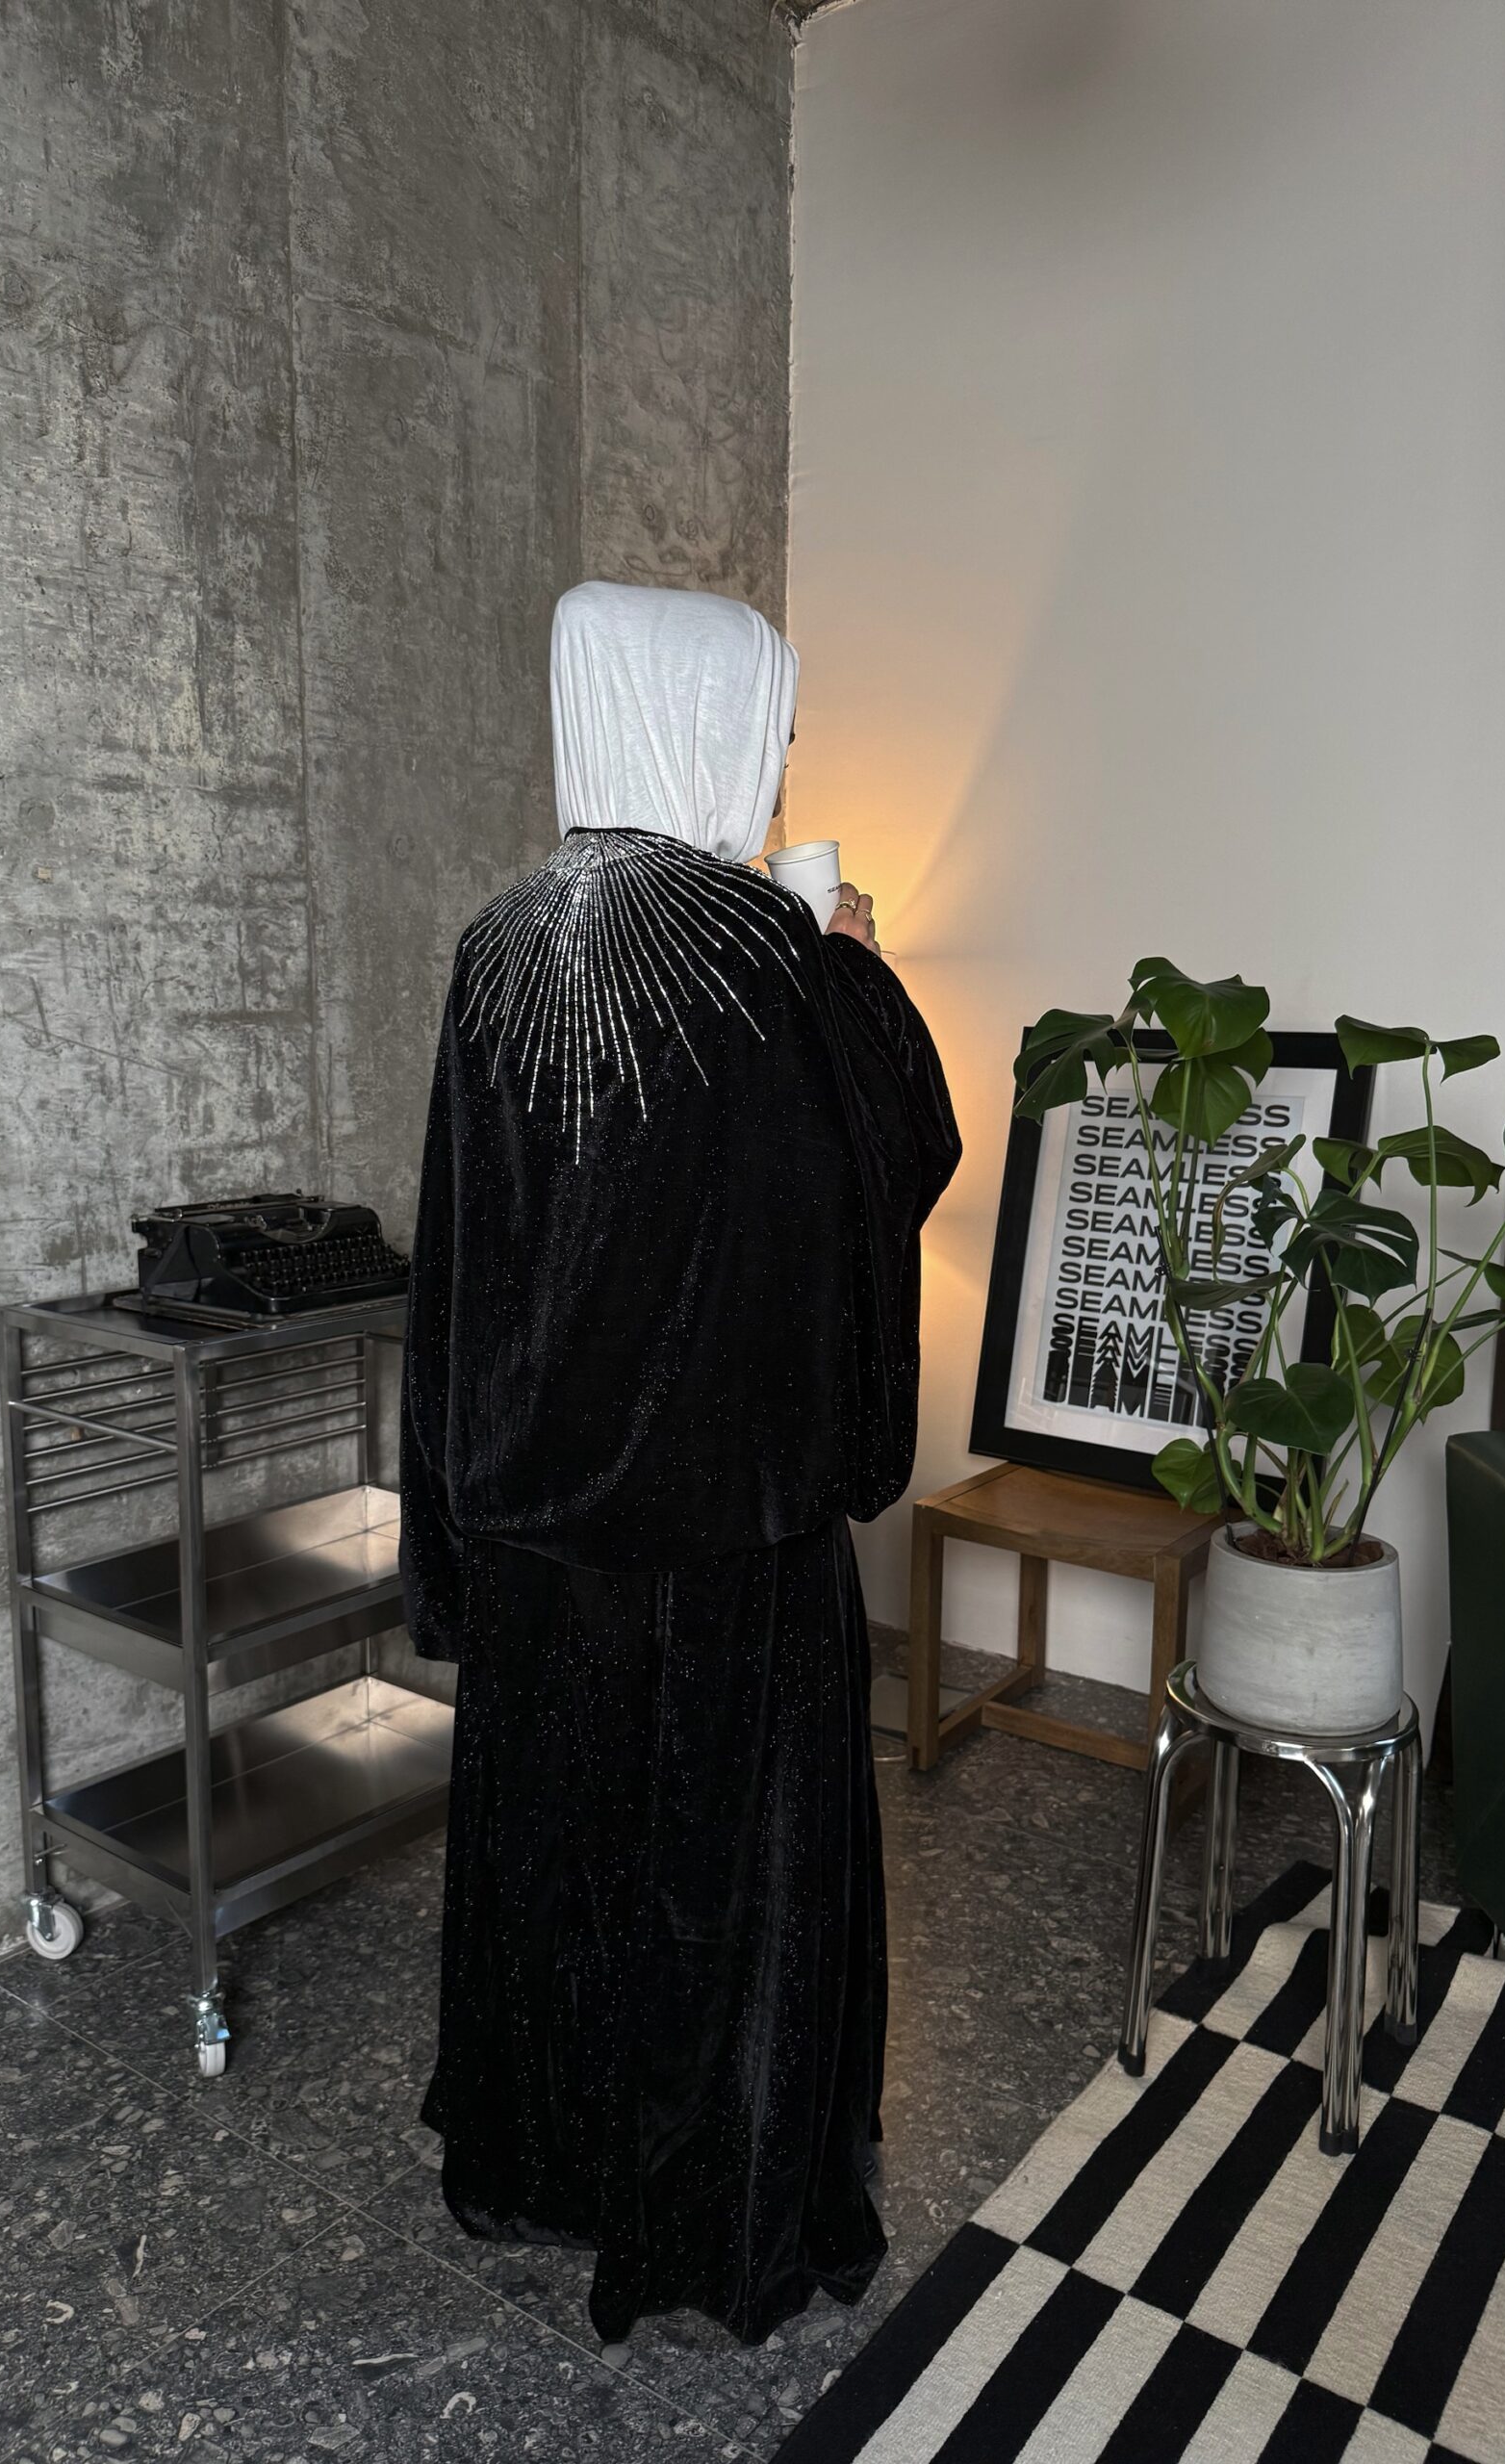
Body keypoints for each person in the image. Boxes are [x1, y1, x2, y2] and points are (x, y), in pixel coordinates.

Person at [399, 578, 959, 2348]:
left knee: (558, 1872)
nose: (778, 768)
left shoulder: (496, 944)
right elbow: (903, 1156)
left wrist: (449, 1531)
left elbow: (464, 1252)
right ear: (713, 722)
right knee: (722, 1901)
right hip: (732, 1542)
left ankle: (554, 2167)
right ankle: (710, 2213)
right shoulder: (781, 958)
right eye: (771, 733)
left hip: (541, 1534)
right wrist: (852, 958)